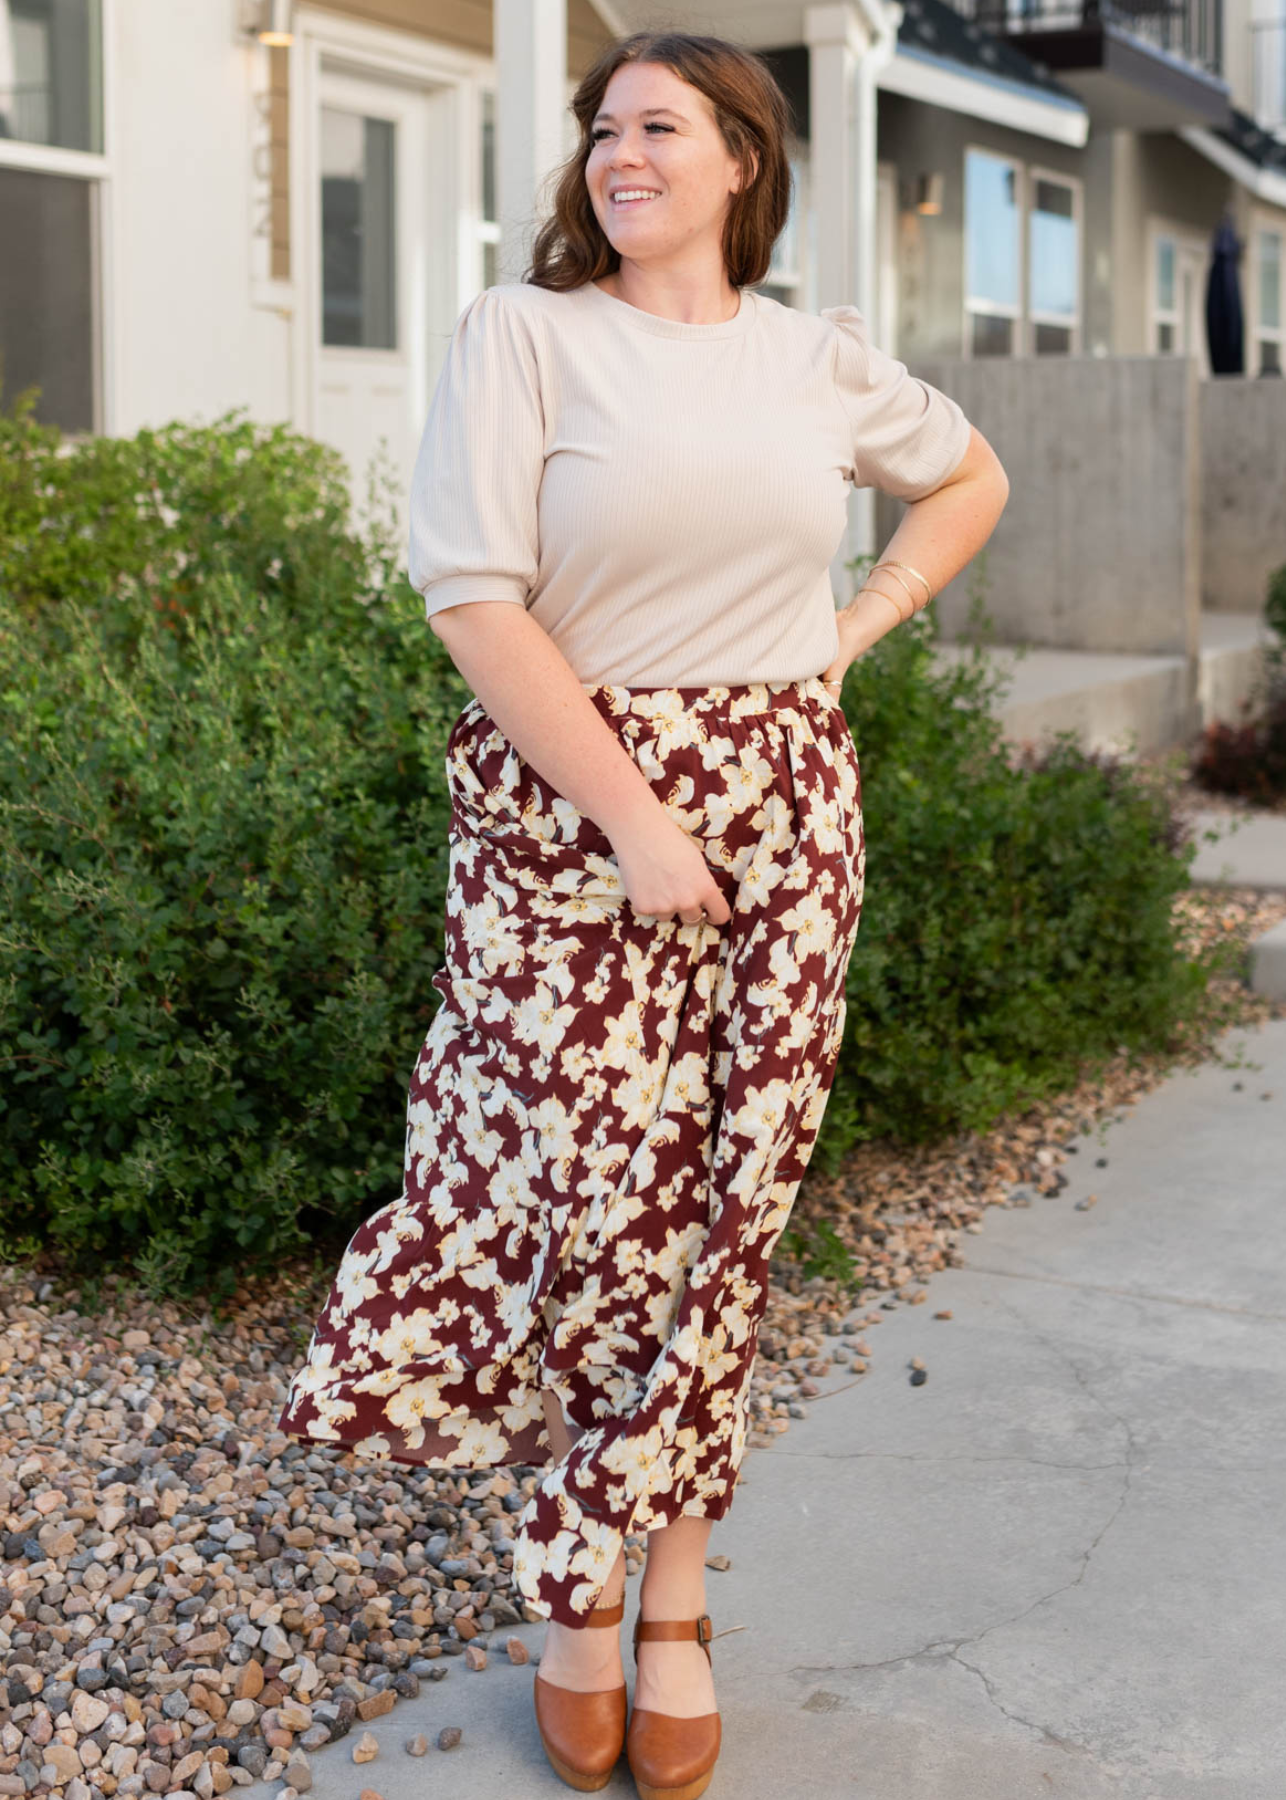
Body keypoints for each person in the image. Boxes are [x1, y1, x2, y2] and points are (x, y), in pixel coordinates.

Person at [277, 26, 1009, 1800]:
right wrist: (634, 819)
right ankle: (577, 1587)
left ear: (740, 160)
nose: (619, 153)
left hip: (785, 811)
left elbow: (967, 479)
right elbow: (471, 594)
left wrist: (844, 636)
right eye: (602, 128)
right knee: (580, 1200)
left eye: (658, 127)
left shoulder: (810, 360)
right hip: (570, 814)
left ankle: (667, 1590)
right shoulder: (524, 333)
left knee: (719, 1215)